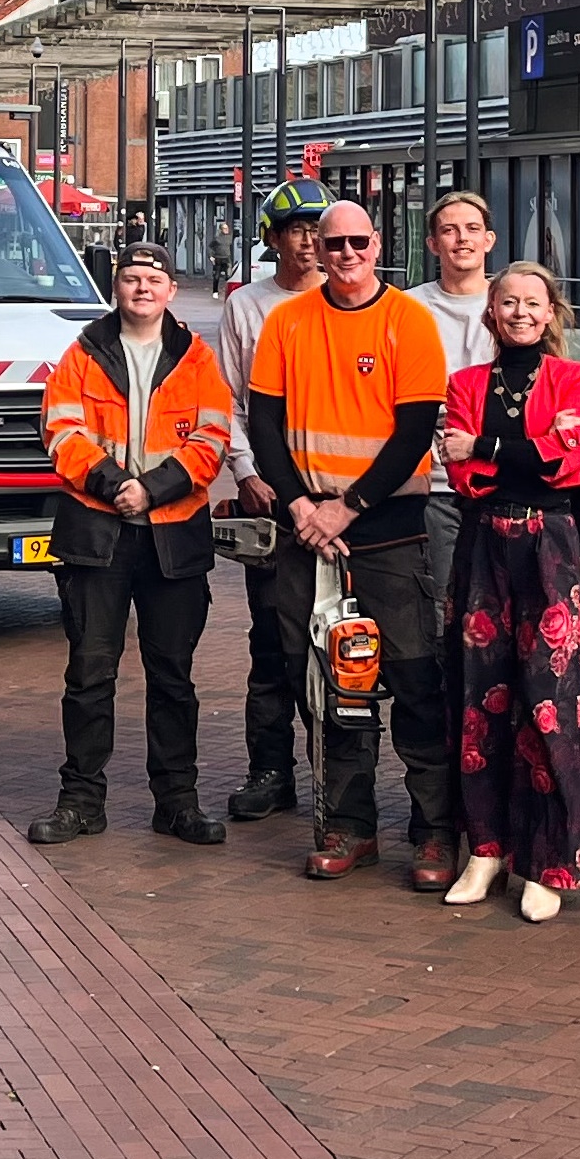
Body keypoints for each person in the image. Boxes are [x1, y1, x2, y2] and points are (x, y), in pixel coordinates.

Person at [248, 198, 455, 885]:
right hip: (306, 537)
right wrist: (304, 505)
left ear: (377, 244)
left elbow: (413, 431)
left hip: (388, 535)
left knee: (416, 680)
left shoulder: (408, 322)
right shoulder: (285, 322)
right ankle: (348, 824)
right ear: (314, 246)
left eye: (356, 241)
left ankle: (432, 831)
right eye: (330, 242)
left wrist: (348, 506)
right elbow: (265, 426)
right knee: (333, 687)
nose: (343, 253)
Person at [30, 241, 240, 846]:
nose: (142, 288)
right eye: (130, 279)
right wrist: (113, 484)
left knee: (172, 677)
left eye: (153, 279)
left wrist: (150, 490)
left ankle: (177, 802)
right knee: (89, 674)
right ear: (115, 289)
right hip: (97, 537)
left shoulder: (197, 360)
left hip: (172, 541)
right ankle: (80, 802)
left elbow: (212, 437)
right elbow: (60, 430)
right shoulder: (83, 353)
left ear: (171, 290)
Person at [437, 262, 580, 921]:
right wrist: (513, 448)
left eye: (532, 302)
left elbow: (568, 455)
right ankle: (485, 848)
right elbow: (463, 471)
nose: (520, 312)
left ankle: (547, 860)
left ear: (551, 310)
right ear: (491, 312)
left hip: (549, 546)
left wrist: (483, 441)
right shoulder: (465, 382)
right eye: (508, 301)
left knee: (550, 702)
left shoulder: (575, 379)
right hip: (483, 543)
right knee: (478, 700)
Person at [219, 176, 334, 822]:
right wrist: (244, 471)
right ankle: (270, 767)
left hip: (341, 503)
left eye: (318, 228)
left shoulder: (357, 301)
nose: (309, 241)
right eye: (296, 229)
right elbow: (230, 400)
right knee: (271, 640)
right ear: (272, 239)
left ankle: (337, 771)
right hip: (271, 500)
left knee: (339, 638)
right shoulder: (246, 307)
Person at [407, 188, 498, 627]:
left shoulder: (513, 302)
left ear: (489, 240)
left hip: (503, 486)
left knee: (499, 616)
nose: (462, 239)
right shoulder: (408, 309)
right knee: (441, 614)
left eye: (472, 229)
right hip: (435, 490)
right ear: (432, 244)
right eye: (449, 230)